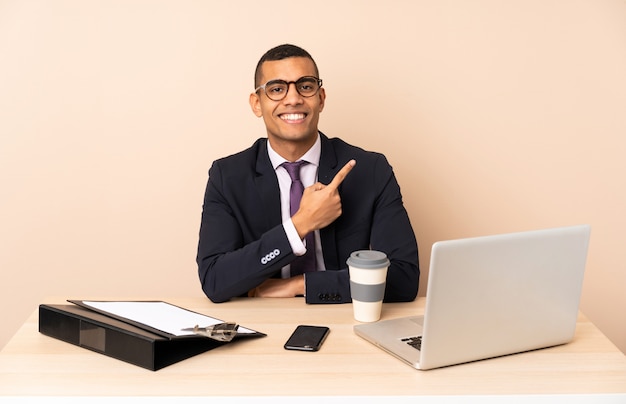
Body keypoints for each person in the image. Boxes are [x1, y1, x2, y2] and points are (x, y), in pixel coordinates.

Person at [197, 44, 419, 304]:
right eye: (277, 89)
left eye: (305, 86)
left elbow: (404, 278)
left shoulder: (370, 170)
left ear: (321, 98)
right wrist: (301, 224)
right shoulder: (227, 177)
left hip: (346, 320)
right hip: (263, 323)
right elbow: (214, 280)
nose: (293, 99)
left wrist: (299, 285)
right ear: (257, 104)